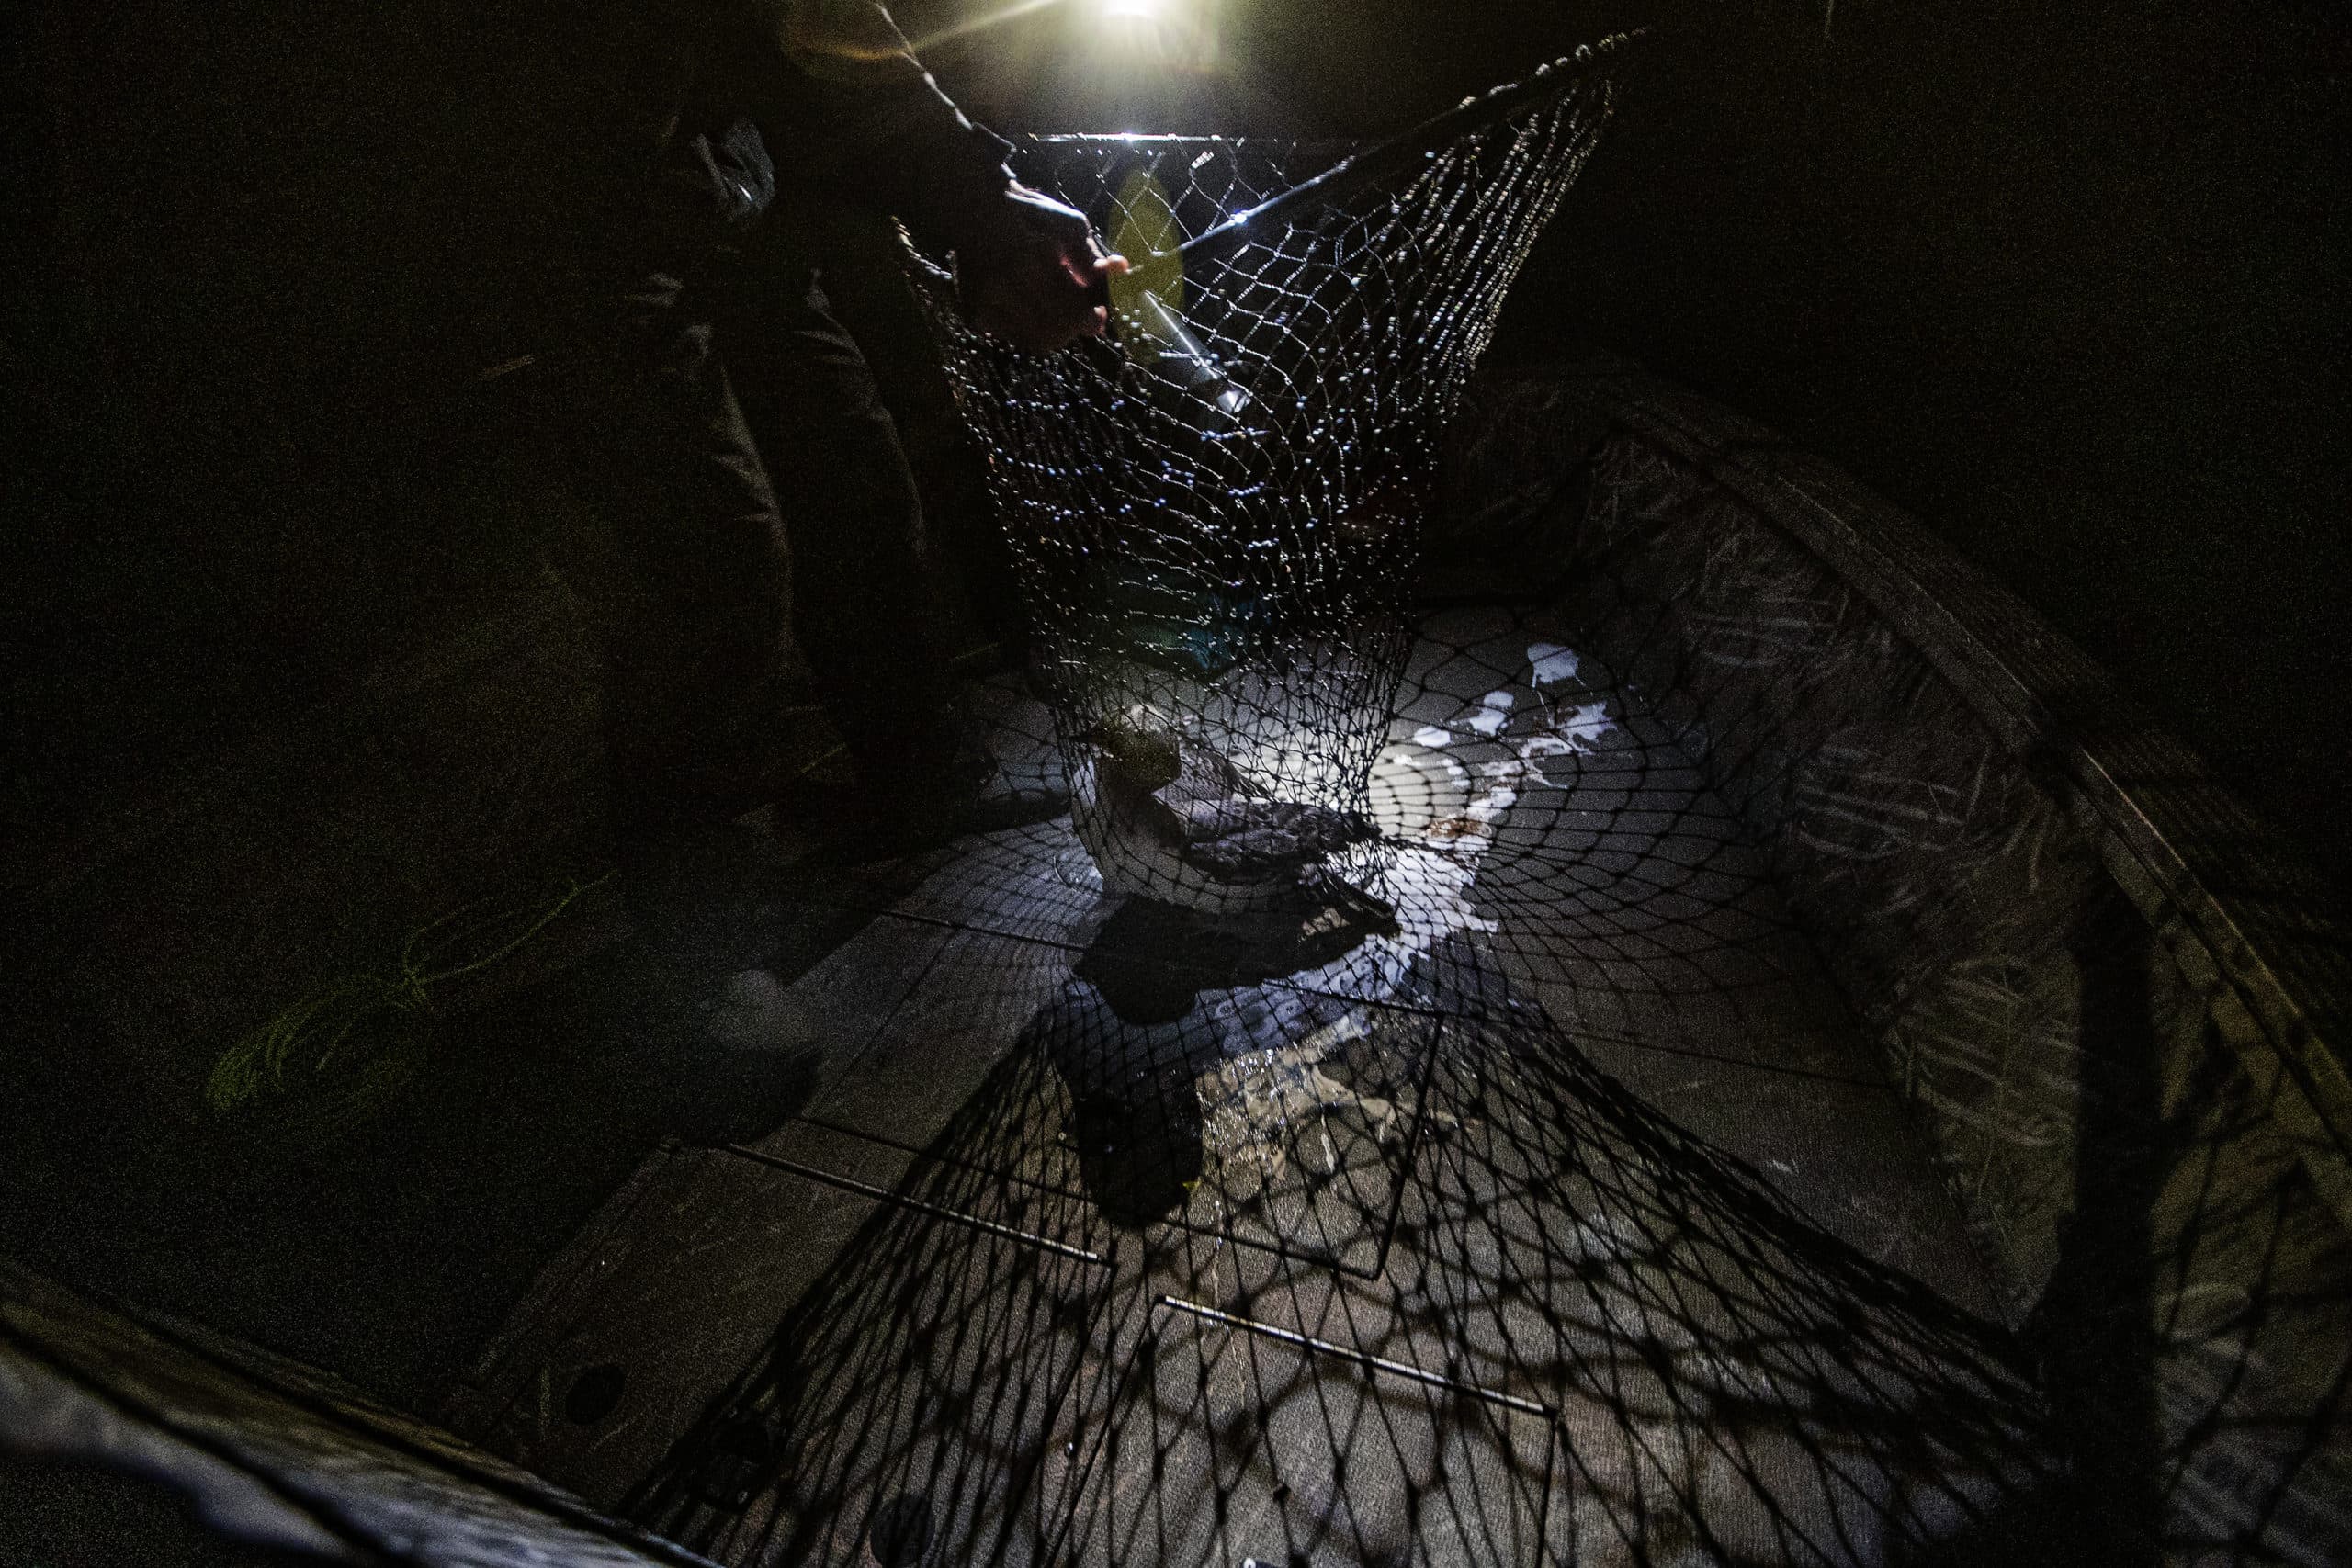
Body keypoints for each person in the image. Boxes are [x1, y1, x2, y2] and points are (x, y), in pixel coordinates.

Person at [556, 0, 1124, 854]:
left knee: (857, 481)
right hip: (574, 231)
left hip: (732, 210)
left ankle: (919, 786)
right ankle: (706, 934)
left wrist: (981, 201)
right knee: (719, 553)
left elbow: (818, 40)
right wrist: (980, 204)